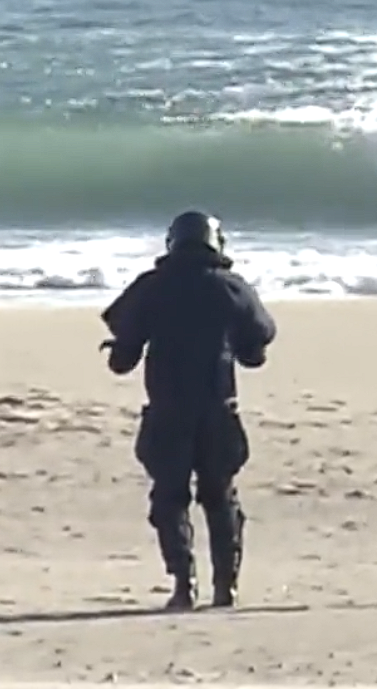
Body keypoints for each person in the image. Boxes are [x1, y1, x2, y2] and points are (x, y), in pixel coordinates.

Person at [100, 210, 278, 611]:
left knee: (169, 498)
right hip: (219, 411)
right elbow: (257, 351)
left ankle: (184, 583)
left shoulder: (152, 287)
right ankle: (225, 586)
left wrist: (123, 351)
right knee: (221, 497)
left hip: (167, 412)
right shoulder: (232, 288)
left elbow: (122, 359)